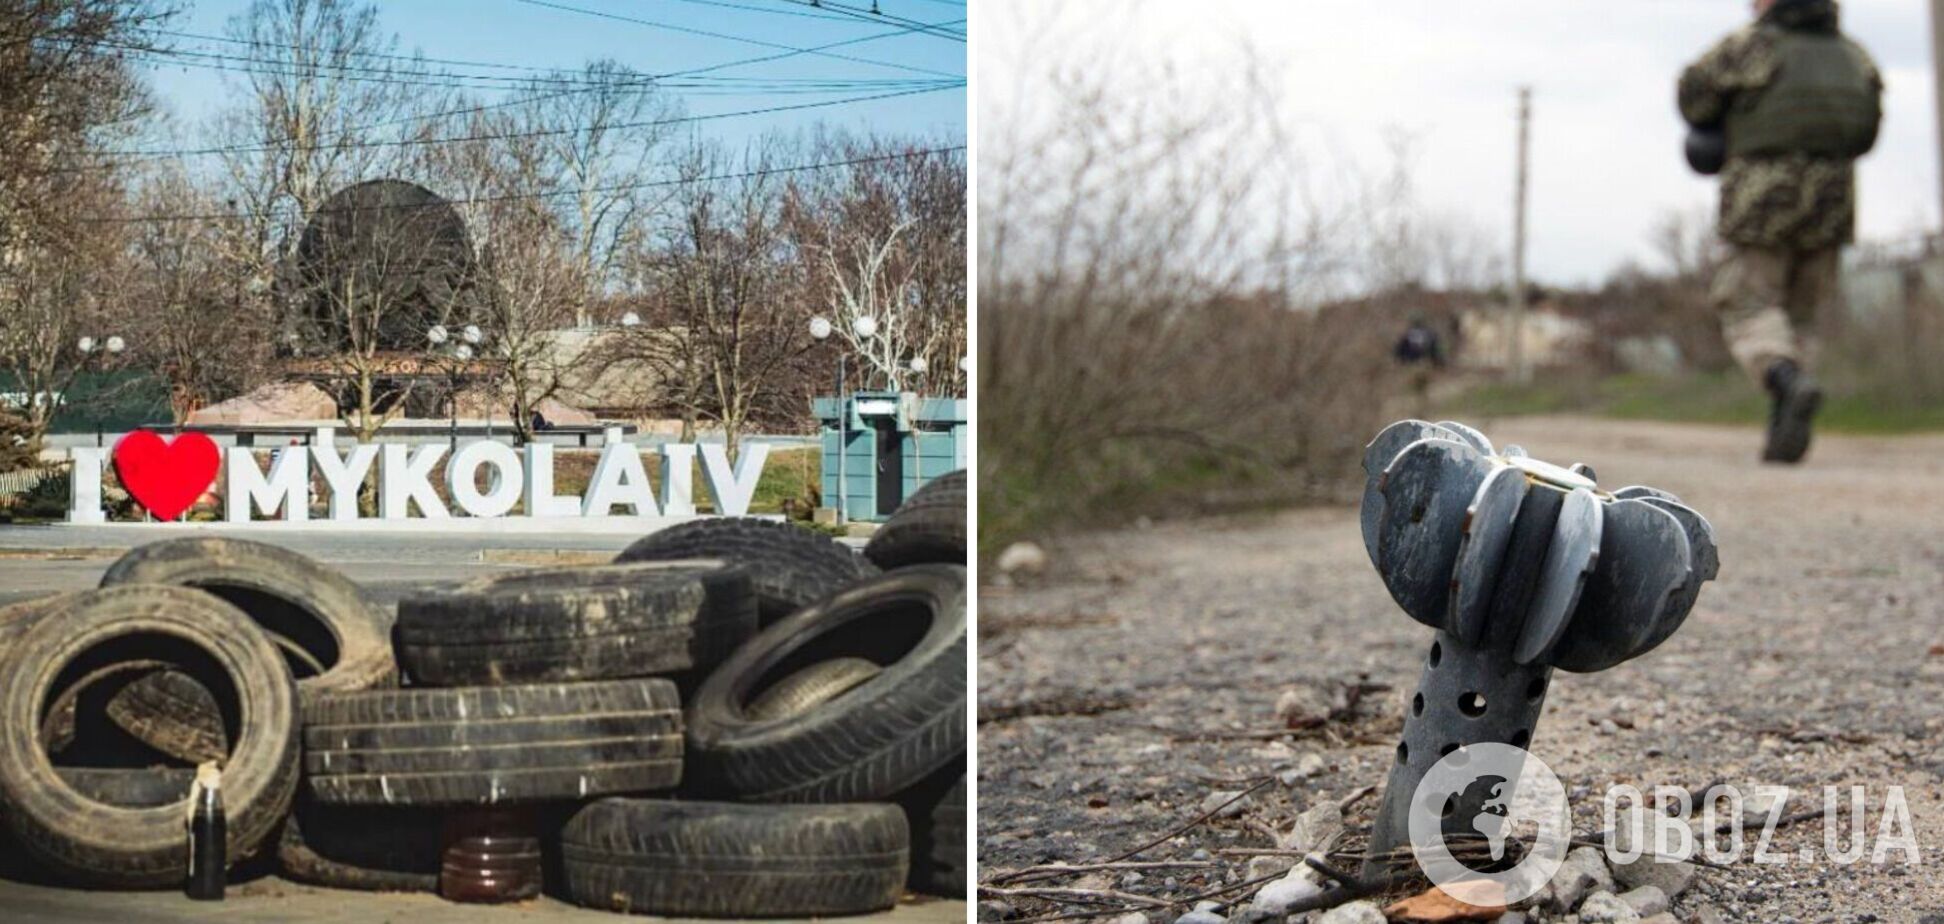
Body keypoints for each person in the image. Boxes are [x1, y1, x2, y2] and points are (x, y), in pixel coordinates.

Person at [1679, 0, 1882, 463]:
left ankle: (1786, 381)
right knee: (1800, 316)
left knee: (1747, 304)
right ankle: (1783, 426)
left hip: (1762, 198)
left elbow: (1693, 96)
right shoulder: (1854, 55)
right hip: (1833, 200)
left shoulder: (1750, 46)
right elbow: (1867, 132)